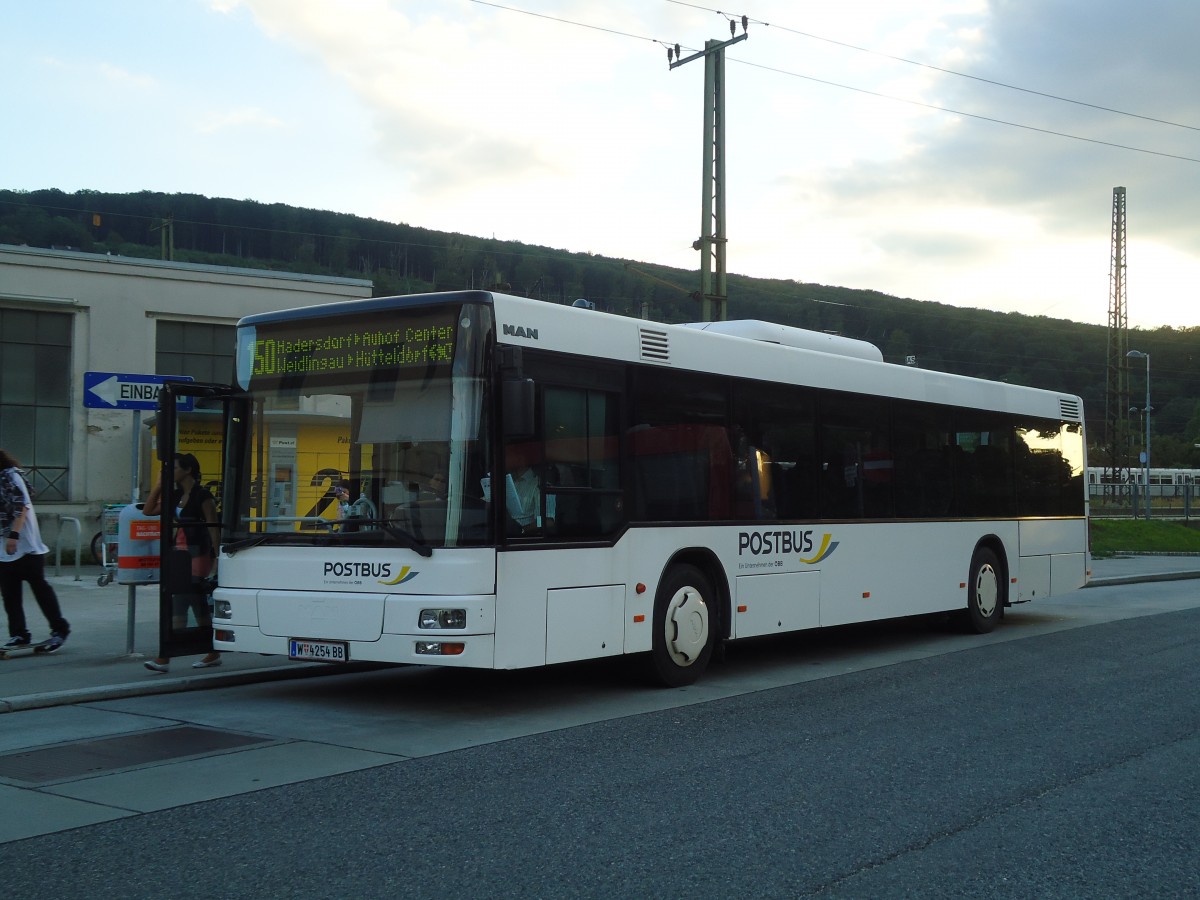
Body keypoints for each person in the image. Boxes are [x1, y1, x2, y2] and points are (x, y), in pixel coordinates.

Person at [141, 453, 221, 672]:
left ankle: (165, 656)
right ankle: (212, 651)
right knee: (194, 603)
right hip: (179, 554)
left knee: (184, 599)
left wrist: (217, 558)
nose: (169, 473)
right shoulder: (175, 494)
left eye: (173, 468)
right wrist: (158, 486)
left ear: (187, 470)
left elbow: (212, 526)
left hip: (198, 553)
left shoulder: (202, 495)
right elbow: (149, 511)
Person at [1, 449, 70, 652]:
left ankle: (60, 629)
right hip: (4, 548)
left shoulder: (10, 476)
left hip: (25, 545)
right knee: (9, 594)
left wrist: (14, 536)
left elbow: (21, 507)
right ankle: (19, 634)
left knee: (40, 589)